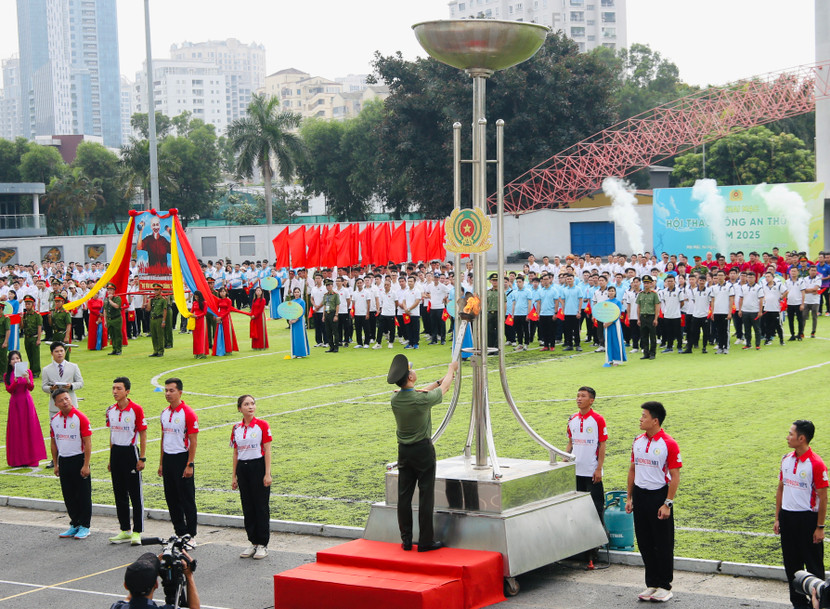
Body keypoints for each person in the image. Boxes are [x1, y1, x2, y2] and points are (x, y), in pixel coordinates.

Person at [388, 354, 458, 552]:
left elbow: (421, 392)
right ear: (410, 378)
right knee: (426, 496)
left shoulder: (396, 398)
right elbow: (443, 390)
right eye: (412, 370)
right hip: (423, 451)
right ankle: (426, 541)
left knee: (404, 497)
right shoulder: (420, 400)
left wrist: (436, 381)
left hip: (404, 452)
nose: (413, 370)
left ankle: (407, 540)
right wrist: (451, 370)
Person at [625, 401, 682, 603]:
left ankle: (665, 586)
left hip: (659, 497)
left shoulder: (669, 443)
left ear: (655, 420)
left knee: (663, 543)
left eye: (644, 416)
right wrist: (629, 497)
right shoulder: (637, 441)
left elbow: (675, 476)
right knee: (645, 542)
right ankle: (652, 583)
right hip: (640, 495)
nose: (640, 419)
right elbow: (633, 469)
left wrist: (668, 503)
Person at [774, 420, 828, 609]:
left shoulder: (816, 464)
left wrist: (820, 527)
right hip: (788, 519)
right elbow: (781, 488)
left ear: (801, 438)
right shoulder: (786, 459)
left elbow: (823, 497)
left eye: (790, 434)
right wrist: (778, 517)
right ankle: (798, 604)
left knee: (813, 566)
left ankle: (821, 603)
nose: (787, 437)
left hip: (807, 520)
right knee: (791, 565)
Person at [565, 386, 607, 562]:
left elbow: (602, 445)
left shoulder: (598, 420)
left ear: (592, 400)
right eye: (577, 396)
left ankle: (596, 545)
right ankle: (579, 545)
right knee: (577, 509)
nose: (579, 399)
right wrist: (565, 460)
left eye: (583, 396)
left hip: (591, 472)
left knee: (596, 508)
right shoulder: (572, 419)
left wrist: (598, 468)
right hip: (576, 471)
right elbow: (570, 443)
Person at [107, 377, 148, 546]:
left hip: (131, 452)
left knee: (135, 494)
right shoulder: (110, 410)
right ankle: (125, 529)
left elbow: (143, 433)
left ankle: (137, 531)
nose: (115, 391)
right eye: (113, 388)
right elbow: (111, 434)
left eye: (119, 388)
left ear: (127, 391)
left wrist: (142, 457)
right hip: (116, 452)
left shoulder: (136, 409)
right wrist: (110, 457)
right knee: (119, 493)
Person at [231, 395, 273, 560]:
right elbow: (235, 452)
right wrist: (234, 476)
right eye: (246, 404)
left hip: (258, 466)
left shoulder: (262, 425)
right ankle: (253, 542)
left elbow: (267, 450)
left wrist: (267, 473)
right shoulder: (236, 428)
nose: (250, 407)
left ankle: (263, 543)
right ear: (239, 408)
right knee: (247, 506)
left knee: (260, 506)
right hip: (243, 468)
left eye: (252, 404)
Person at [50, 387, 93, 540]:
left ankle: (85, 526)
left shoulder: (80, 418)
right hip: (64, 461)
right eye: (61, 400)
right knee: (68, 495)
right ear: (56, 404)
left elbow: (88, 443)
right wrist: (56, 464)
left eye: (67, 398)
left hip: (79, 459)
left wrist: (86, 465)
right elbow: (54, 443)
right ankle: (74, 523)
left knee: (83, 494)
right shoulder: (55, 420)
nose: (65, 402)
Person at [159, 378, 199, 539]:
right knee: (171, 498)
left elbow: (193, 440)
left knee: (187, 498)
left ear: (180, 392)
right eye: (166, 390)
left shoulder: (187, 413)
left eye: (171, 390)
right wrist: (161, 463)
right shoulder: (164, 413)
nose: (168, 394)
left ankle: (191, 534)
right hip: (168, 459)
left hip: (183, 459)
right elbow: (163, 438)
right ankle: (180, 532)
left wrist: (190, 464)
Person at [110, 550, 200, 609]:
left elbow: (133, 591)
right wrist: (189, 575)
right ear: (156, 584)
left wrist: (148, 572)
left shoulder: (117, 607)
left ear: (125, 585)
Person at [4, 350, 47, 467]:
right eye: (13, 359)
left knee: (29, 427)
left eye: (17, 358)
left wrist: (28, 379)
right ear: (9, 362)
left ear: (20, 359)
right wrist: (15, 381)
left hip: (27, 401)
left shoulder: (27, 371)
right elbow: (9, 390)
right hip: (15, 403)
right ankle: (17, 459)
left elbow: (31, 387)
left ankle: (31, 458)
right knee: (17, 429)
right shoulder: (7, 375)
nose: (15, 360)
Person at [41, 341, 84, 421]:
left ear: (65, 352)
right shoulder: (46, 369)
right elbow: (44, 387)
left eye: (61, 351)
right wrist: (51, 388)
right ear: (52, 353)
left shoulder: (73, 366)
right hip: (55, 407)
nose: (59, 353)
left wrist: (71, 386)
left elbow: (80, 383)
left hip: (71, 405)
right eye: (56, 351)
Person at [636, 276, 660, 360]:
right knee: (644, 336)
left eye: (647, 283)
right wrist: (638, 318)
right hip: (643, 316)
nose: (646, 284)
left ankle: (652, 353)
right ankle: (646, 353)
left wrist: (656, 318)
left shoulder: (654, 294)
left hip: (651, 316)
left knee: (652, 336)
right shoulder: (641, 294)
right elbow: (639, 307)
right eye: (644, 283)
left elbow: (657, 306)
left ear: (651, 284)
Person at [602, 286, 627, 366]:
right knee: (608, 341)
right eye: (609, 291)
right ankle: (610, 359)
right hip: (606, 324)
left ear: (615, 292)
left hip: (614, 324)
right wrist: (604, 322)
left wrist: (610, 322)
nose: (611, 292)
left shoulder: (617, 302)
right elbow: (603, 313)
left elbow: (618, 314)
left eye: (612, 291)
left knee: (616, 341)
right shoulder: (605, 302)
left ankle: (617, 359)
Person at [213, 286, 239, 356]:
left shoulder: (229, 300)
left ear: (226, 292)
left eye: (224, 291)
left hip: (226, 318)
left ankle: (228, 350)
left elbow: (228, 310)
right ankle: (220, 350)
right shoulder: (219, 300)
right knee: (220, 334)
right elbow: (216, 309)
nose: (222, 293)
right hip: (219, 318)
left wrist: (221, 317)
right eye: (221, 292)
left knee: (227, 333)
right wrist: (216, 316)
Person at [21, 294, 42, 377]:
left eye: (29, 304)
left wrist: (39, 339)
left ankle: (36, 372)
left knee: (35, 355)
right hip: (27, 337)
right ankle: (31, 370)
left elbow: (39, 327)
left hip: (34, 337)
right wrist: (21, 319)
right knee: (29, 354)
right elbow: (22, 327)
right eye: (26, 304)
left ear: (33, 304)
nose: (27, 305)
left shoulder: (37, 315)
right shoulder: (25, 315)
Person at [146, 284, 168, 357]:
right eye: (154, 290)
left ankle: (160, 351)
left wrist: (164, 321)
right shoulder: (153, 300)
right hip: (152, 319)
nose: (155, 291)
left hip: (159, 319)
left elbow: (165, 310)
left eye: (157, 290)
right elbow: (148, 309)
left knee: (160, 335)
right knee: (154, 336)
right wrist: (149, 301)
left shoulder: (163, 300)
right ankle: (155, 350)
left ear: (160, 290)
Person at [288, 287, 310, 358]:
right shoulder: (292, 301)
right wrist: (290, 319)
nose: (296, 293)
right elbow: (290, 311)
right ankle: (295, 353)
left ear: (300, 293)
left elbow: (302, 312)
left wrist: (296, 319)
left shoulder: (302, 301)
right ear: (293, 293)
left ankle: (302, 352)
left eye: (298, 292)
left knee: (300, 336)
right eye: (295, 292)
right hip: (293, 320)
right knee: (294, 337)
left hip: (299, 321)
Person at [104, 282, 124, 355]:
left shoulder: (117, 298)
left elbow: (116, 306)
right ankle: (114, 349)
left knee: (117, 335)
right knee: (112, 335)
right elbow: (105, 310)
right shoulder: (106, 299)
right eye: (108, 290)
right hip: (109, 319)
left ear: (114, 291)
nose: (109, 291)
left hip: (116, 319)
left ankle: (119, 349)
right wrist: (105, 320)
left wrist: (110, 300)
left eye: (111, 290)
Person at [322, 279, 340, 353]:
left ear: (332, 286)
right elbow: (324, 306)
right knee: (328, 331)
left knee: (335, 331)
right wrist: (323, 316)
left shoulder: (335, 295)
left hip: (333, 313)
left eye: (329, 285)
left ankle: (336, 347)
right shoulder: (325, 295)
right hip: (327, 313)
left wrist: (336, 315)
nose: (328, 287)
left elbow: (337, 305)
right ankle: (331, 346)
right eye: (327, 285)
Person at [249, 286, 269, 350]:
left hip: (260, 317)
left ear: (262, 292)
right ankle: (255, 346)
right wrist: (251, 314)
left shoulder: (263, 300)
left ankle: (261, 345)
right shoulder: (254, 300)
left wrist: (255, 315)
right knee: (255, 330)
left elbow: (260, 310)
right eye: (257, 290)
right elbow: (252, 308)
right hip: (254, 316)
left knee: (260, 331)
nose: (258, 292)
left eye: (259, 291)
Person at [190, 291, 209, 359]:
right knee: (196, 337)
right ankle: (197, 352)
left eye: (197, 296)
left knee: (202, 336)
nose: (196, 298)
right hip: (195, 321)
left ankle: (202, 352)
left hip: (201, 320)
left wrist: (197, 316)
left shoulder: (204, 303)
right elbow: (191, 311)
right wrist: (190, 315)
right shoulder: (194, 303)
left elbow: (204, 313)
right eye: (195, 296)